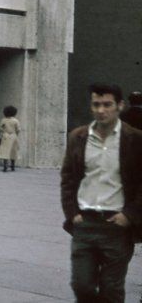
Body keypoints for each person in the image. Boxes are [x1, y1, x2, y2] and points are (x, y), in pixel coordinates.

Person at [60, 83, 142, 302]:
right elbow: (67, 178)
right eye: (96, 104)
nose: (101, 110)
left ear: (120, 106)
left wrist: (129, 215)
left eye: (107, 105)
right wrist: (72, 213)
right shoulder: (78, 137)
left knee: (112, 288)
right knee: (81, 285)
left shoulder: (135, 139)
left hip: (117, 226)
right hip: (85, 223)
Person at [0, 105, 21, 172]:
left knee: (5, 152)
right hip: (13, 136)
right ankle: (13, 166)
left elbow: (0, 128)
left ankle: (5, 166)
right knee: (13, 151)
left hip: (5, 136)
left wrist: (4, 131)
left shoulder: (3, 120)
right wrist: (16, 134)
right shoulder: (16, 121)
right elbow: (18, 129)